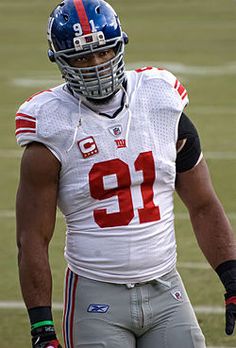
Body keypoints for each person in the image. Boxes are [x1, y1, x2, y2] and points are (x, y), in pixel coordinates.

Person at [15, 0, 236, 347]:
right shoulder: (50, 125)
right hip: (95, 292)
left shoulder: (160, 101)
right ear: (61, 61)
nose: (96, 66)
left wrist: (231, 275)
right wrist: (42, 327)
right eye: (83, 58)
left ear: (119, 47)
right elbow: (32, 238)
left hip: (166, 289)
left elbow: (203, 204)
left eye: (103, 53)